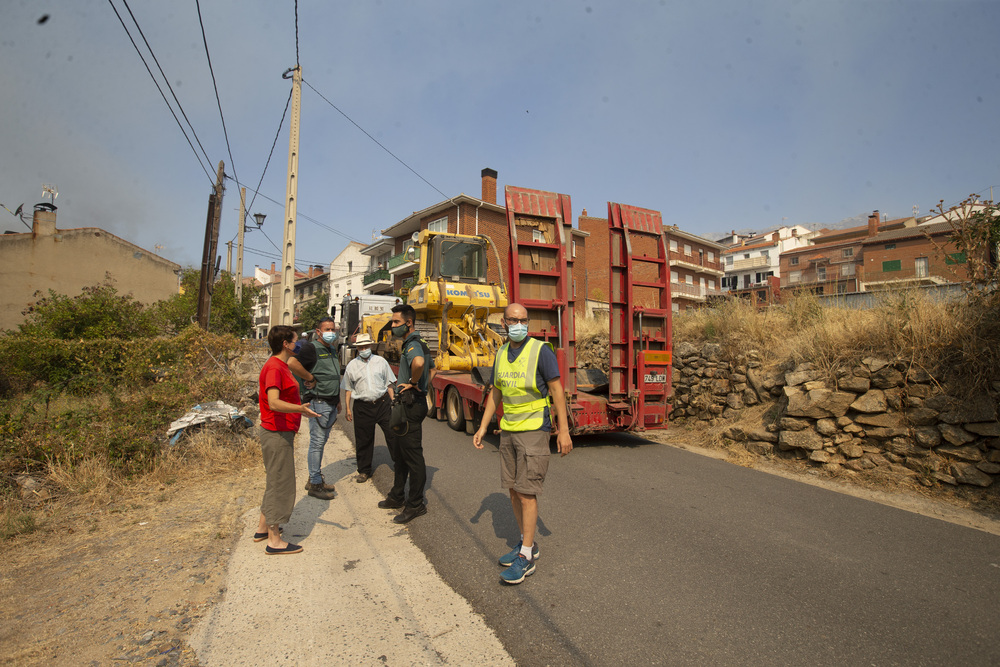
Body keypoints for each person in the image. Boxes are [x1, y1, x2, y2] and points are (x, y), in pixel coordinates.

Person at [473, 303, 573, 584]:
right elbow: (496, 392)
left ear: (528, 322)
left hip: (534, 430)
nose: (518, 324)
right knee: (514, 491)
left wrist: (563, 431)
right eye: (513, 319)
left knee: (528, 492)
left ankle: (526, 557)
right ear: (503, 323)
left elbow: (557, 390)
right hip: (509, 431)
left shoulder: (541, 351)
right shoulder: (502, 352)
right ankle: (525, 542)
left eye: (523, 320)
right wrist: (483, 426)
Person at [255, 325, 321, 555]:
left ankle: (263, 527)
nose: (298, 344)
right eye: (295, 341)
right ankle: (274, 540)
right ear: (286, 344)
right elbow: (273, 402)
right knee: (281, 484)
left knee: (275, 480)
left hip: (279, 431)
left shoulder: (280, 365)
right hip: (276, 432)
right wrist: (300, 409)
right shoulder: (274, 368)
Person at [378, 303, 431, 524]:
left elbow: (418, 363)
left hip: (410, 406)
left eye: (397, 322)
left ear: (409, 323)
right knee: (400, 454)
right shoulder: (421, 343)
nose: (393, 326)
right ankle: (397, 495)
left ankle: (416, 505)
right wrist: (424, 385)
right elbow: (433, 367)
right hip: (408, 404)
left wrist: (414, 383)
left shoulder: (412, 344)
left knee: (412, 457)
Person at [287, 316, 341, 501]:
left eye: (333, 329)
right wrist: (309, 378)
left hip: (331, 401)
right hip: (319, 401)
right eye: (327, 329)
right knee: (317, 442)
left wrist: (338, 400)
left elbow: (333, 375)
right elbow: (292, 363)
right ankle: (315, 484)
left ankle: (314, 477)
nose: (330, 333)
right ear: (318, 332)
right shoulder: (311, 348)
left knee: (321, 441)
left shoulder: (332, 348)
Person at [343, 333, 396, 483]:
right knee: (363, 439)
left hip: (382, 403)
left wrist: (394, 402)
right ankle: (364, 470)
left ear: (371, 346)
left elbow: (389, 383)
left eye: (366, 346)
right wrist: (348, 408)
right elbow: (348, 388)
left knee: (393, 435)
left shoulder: (381, 362)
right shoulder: (352, 365)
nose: (364, 349)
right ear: (357, 348)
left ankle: (399, 465)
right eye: (361, 347)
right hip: (362, 407)